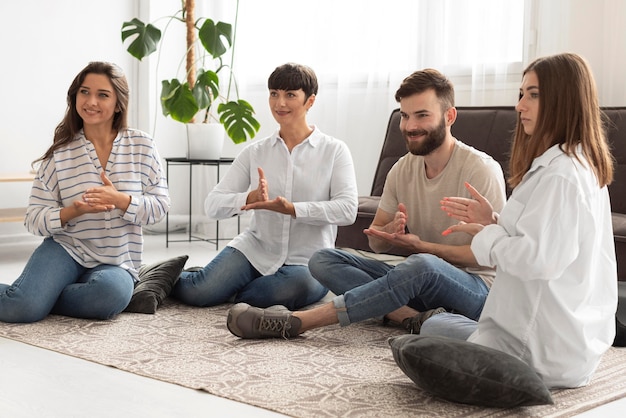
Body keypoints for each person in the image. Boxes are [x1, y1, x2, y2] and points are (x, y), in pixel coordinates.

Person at [226, 68, 507, 338]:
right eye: (406, 116)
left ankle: (299, 322)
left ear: (449, 116)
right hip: (418, 284)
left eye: (422, 115)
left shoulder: (480, 169)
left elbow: (492, 256)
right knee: (323, 259)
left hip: (475, 289)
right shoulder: (401, 168)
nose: (410, 126)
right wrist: (391, 236)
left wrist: (421, 247)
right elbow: (377, 242)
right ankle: (410, 318)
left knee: (422, 263)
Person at [420, 52, 617, 389]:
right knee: (436, 327)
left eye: (534, 95)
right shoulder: (574, 164)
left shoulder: (562, 175)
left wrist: (488, 236)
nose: (520, 105)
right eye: (521, 94)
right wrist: (494, 220)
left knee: (430, 333)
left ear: (563, 100)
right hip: (562, 344)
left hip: (537, 351)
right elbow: (544, 237)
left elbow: (537, 260)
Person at [171, 63, 358, 310]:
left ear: (310, 101)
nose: (280, 103)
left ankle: (225, 286)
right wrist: (249, 198)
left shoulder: (334, 150)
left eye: (290, 95)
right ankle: (167, 276)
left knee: (294, 288)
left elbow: (347, 209)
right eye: (274, 94)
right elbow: (212, 205)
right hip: (255, 250)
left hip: (308, 262)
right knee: (199, 293)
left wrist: (293, 209)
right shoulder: (255, 152)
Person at [0, 61, 171, 323]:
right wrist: (73, 211)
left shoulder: (142, 145)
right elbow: (33, 219)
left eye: (102, 94)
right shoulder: (60, 154)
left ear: (118, 104)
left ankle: (40, 297)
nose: (91, 101)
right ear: (75, 97)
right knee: (20, 309)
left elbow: (160, 205)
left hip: (116, 262)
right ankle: (31, 298)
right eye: (84, 92)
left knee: (110, 296)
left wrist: (122, 201)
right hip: (65, 250)